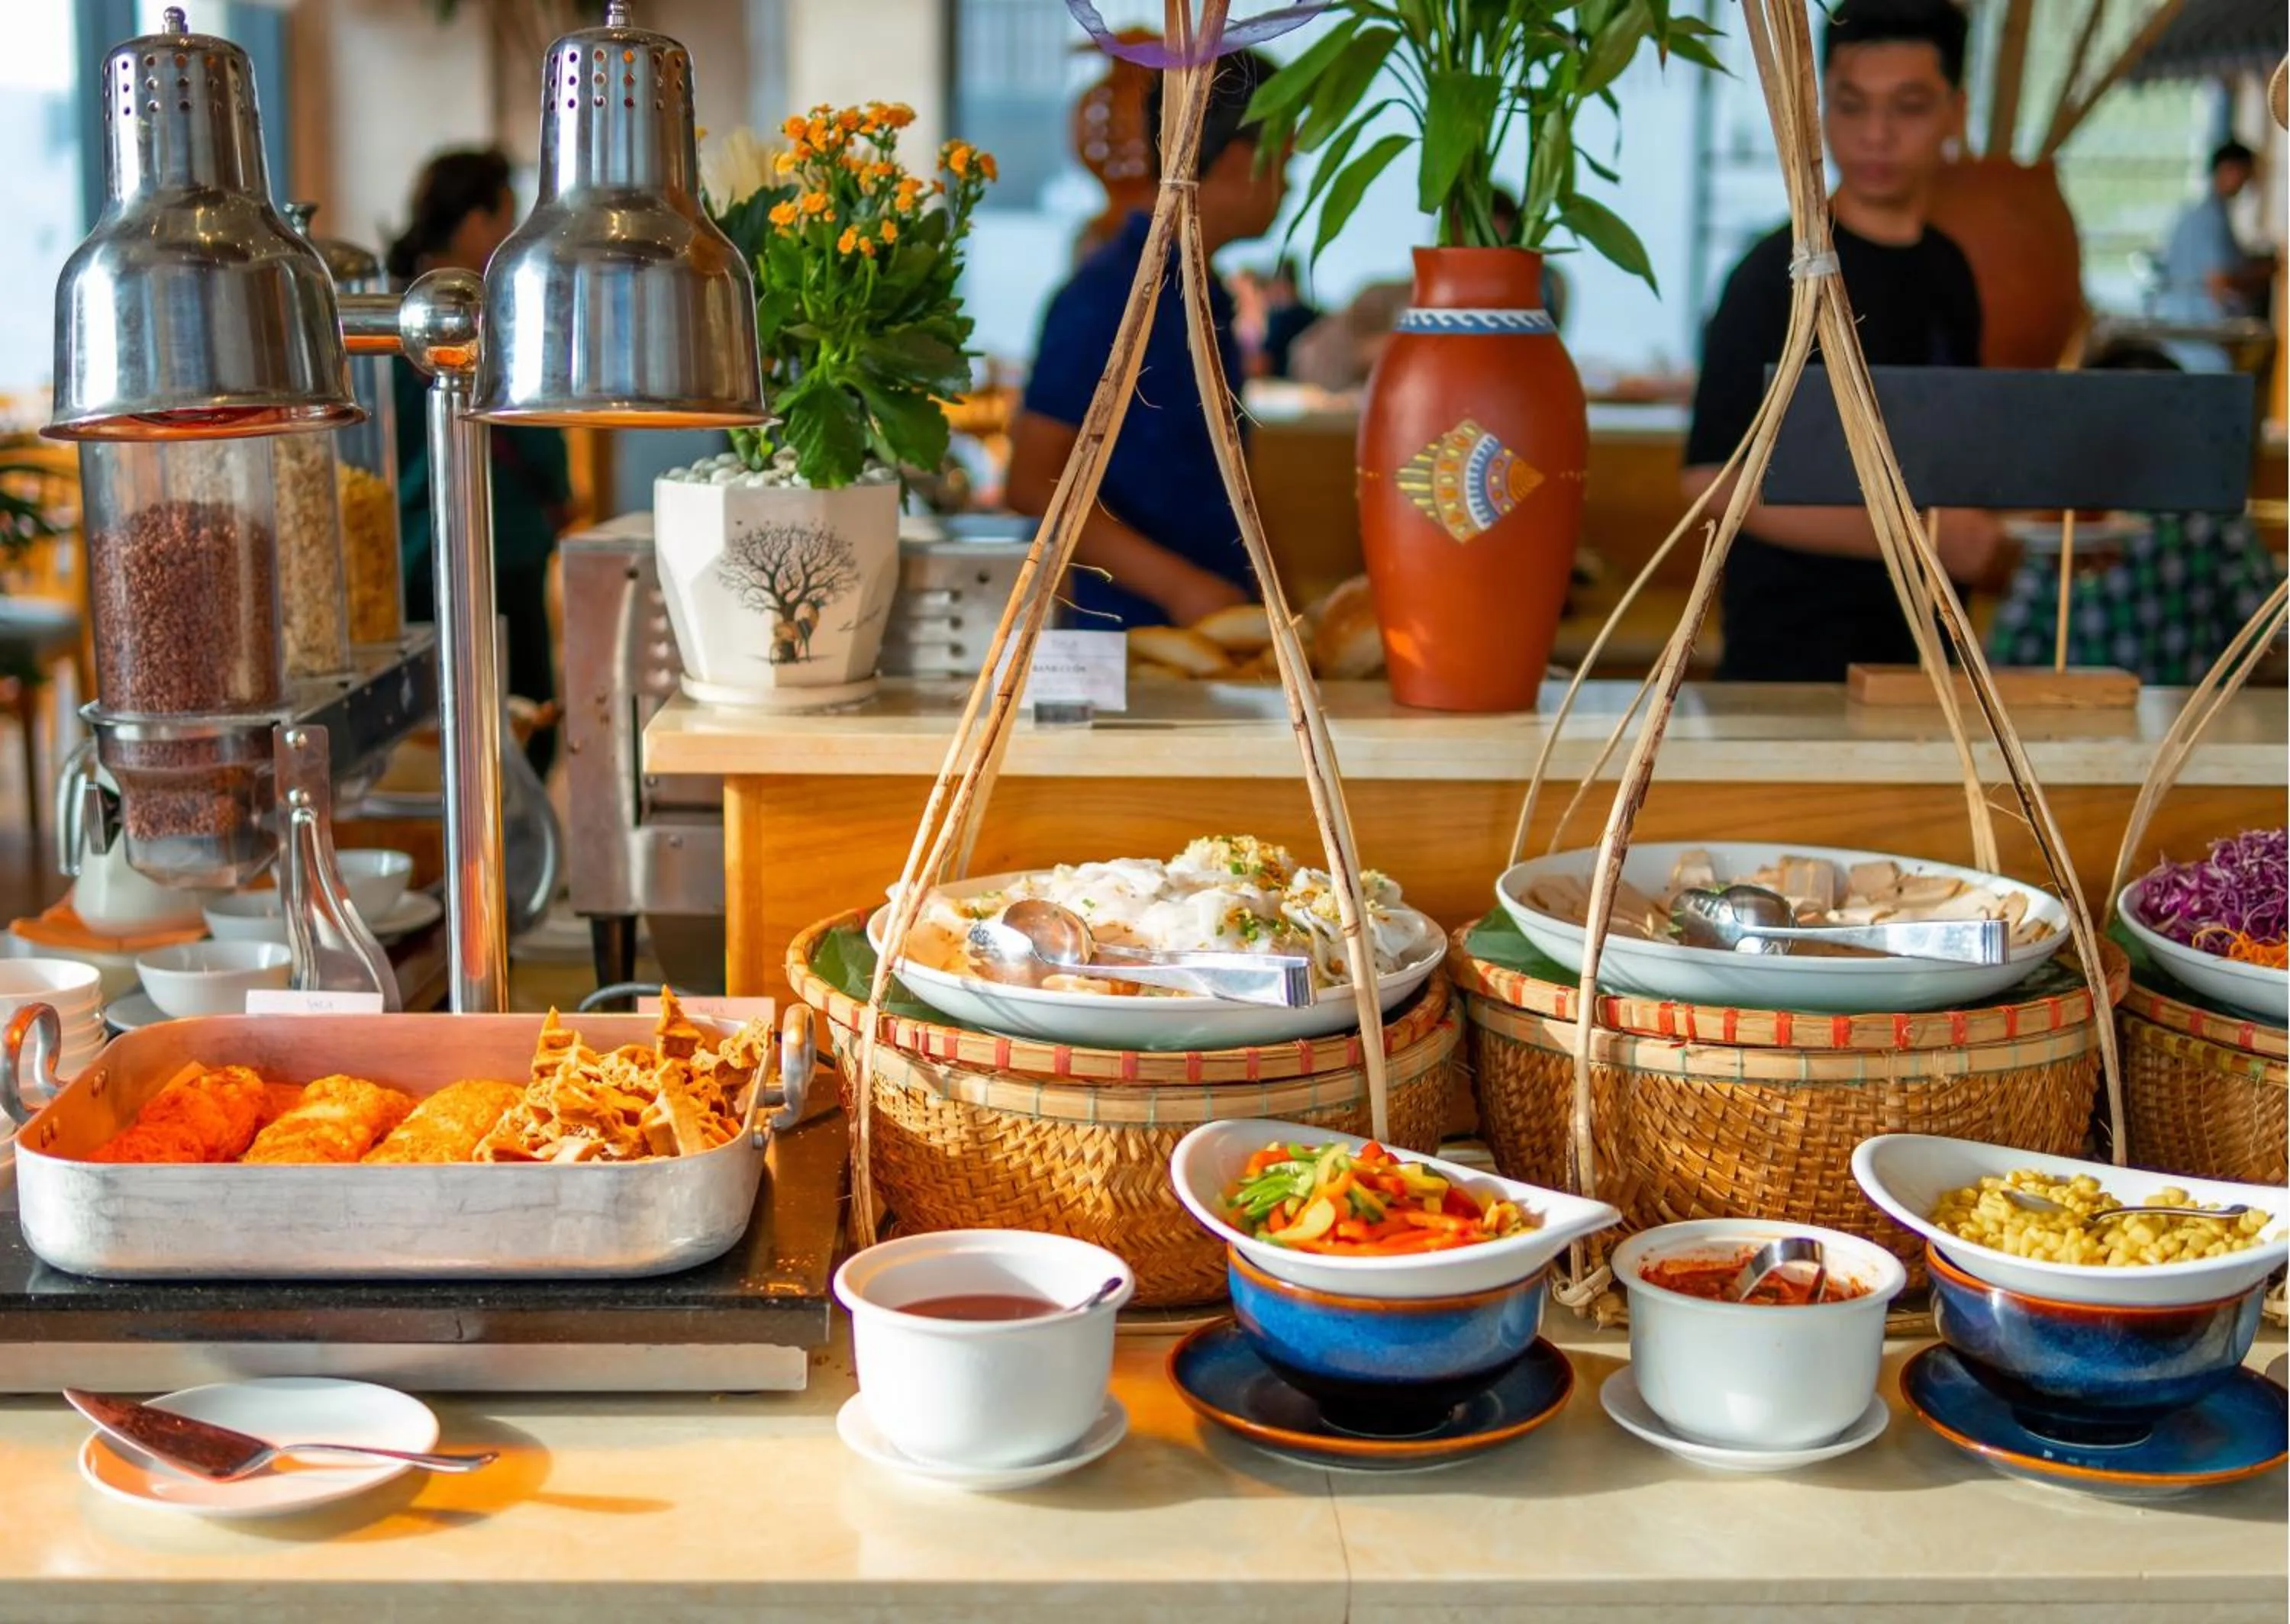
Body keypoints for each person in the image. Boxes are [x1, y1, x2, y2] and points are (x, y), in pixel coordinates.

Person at [1681, 0, 1999, 683]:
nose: (1876, 134)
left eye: (1909, 107)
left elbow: (1955, 456)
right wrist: (1921, 538)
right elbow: (1712, 480)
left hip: (1929, 669)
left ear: (1955, 111)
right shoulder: (1778, 274)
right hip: (1790, 666)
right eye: (1851, 106)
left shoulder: (1952, 270)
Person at [1005, 50, 1288, 629]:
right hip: (1124, 640)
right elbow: (1033, 483)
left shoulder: (1207, 293)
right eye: (1284, 165)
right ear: (1239, 164)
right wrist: (1181, 588)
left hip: (1212, 627)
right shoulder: (1109, 293)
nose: (1289, 188)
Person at [385, 147, 572, 776]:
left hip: (410, 554)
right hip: (501, 544)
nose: (508, 240)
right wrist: (561, 492)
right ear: (471, 221)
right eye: (505, 221)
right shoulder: (487, 311)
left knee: (427, 733)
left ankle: (453, 861)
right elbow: (536, 427)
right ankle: (507, 865)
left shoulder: (388, 316)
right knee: (523, 721)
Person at [2159, 140, 2275, 321]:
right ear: (2230, 170)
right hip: (2202, 325)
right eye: (2247, 175)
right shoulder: (2211, 218)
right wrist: (2268, 272)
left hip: (2183, 320)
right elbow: (2220, 281)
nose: (2247, 184)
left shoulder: (2195, 213)